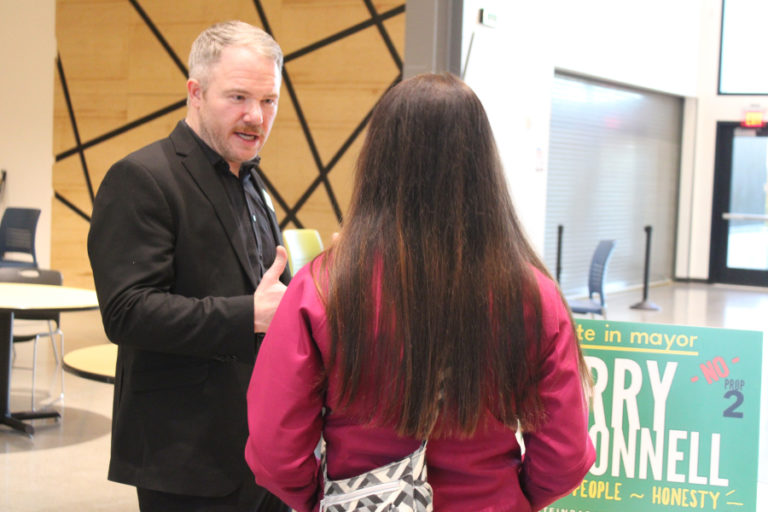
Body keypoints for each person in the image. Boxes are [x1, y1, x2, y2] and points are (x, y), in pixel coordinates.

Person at [245, 73, 596, 512]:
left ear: (377, 161)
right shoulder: (534, 296)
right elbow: (565, 456)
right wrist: (508, 496)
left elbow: (274, 448)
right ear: (483, 165)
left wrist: (324, 498)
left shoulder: (322, 289)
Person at [87, 21, 291, 511]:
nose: (255, 117)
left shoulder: (252, 181)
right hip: (186, 459)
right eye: (238, 97)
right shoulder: (141, 177)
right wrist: (250, 316)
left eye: (269, 101)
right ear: (195, 93)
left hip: (263, 453)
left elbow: (265, 292)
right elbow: (127, 312)